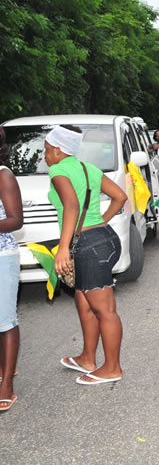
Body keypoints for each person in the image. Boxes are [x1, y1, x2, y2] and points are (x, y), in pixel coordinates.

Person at [46, 125, 127, 385]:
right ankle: (87, 358)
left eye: (47, 150)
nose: (44, 156)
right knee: (84, 303)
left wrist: (62, 247)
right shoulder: (88, 169)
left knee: (104, 310)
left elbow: (71, 205)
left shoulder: (57, 170)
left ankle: (112, 367)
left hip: (88, 246)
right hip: (103, 239)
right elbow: (120, 197)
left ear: (59, 151)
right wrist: (100, 222)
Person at [0, 127, 23, 410]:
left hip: (2, 255)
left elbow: (16, 220)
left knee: (4, 319)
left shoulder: (3, 175)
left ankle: (7, 384)